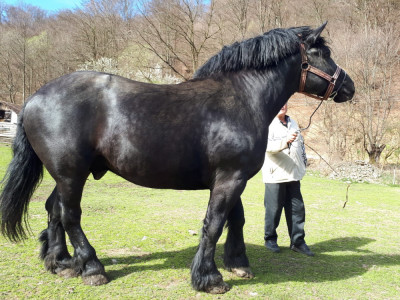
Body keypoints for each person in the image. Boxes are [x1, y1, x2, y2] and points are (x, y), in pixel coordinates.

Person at [261, 103, 314, 256]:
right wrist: (285, 141)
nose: (282, 106)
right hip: (275, 176)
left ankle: (297, 242)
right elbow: (267, 147)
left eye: (285, 103)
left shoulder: (293, 123)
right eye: (279, 103)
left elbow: (300, 146)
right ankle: (270, 239)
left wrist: (302, 165)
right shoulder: (267, 123)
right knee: (273, 210)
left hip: (293, 175)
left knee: (297, 210)